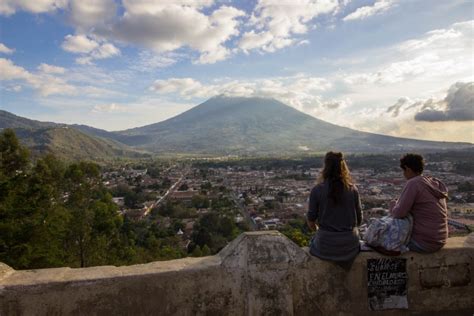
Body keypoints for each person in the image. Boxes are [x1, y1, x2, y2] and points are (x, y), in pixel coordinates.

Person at [307, 151, 362, 268]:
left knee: (311, 242)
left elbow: (311, 221)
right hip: (350, 246)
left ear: (326, 167)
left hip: (325, 245)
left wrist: (320, 231)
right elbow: (359, 220)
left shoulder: (317, 190)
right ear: (343, 166)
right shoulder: (353, 190)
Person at [390, 153, 448, 253]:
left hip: (422, 243)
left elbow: (398, 213)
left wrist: (392, 205)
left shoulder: (414, 183)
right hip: (440, 240)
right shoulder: (433, 183)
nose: (403, 174)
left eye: (403, 171)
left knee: (383, 239)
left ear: (407, 168)